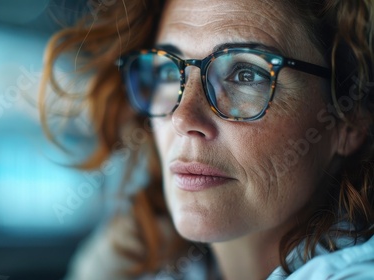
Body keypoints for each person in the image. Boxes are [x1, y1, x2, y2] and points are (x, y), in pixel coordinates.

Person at [40, 0, 374, 279]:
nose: (182, 118)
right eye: (168, 72)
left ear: (348, 121)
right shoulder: (131, 261)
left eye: (246, 73)